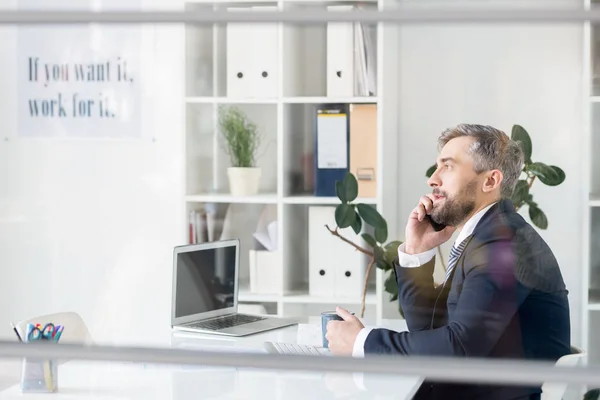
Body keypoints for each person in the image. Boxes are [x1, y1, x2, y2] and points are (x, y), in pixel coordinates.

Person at [325, 124, 571, 400]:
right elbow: (431, 331)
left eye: (448, 166)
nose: (433, 179)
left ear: (490, 181)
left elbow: (460, 349)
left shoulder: (504, 244)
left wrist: (362, 342)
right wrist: (417, 252)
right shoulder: (486, 235)